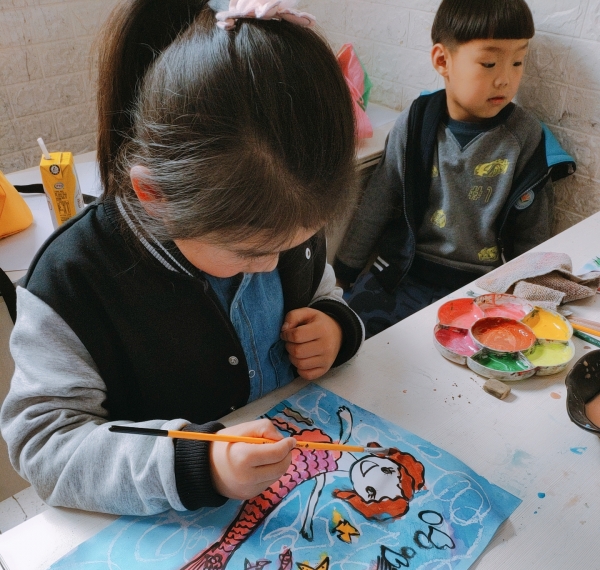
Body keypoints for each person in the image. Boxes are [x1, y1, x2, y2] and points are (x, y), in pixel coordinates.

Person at [0, 0, 364, 516]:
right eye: (250, 252)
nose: (273, 265)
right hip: (168, 526)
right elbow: (44, 446)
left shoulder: (279, 219)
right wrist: (196, 462)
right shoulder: (73, 280)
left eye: (291, 244)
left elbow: (322, 288)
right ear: (156, 196)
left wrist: (335, 325)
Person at [333, 0, 575, 338]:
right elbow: (379, 199)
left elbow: (532, 232)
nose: (505, 79)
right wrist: (343, 273)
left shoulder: (524, 136)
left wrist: (529, 301)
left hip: (483, 289)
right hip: (404, 273)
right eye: (489, 63)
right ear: (442, 61)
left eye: (518, 62)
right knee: (348, 337)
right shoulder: (416, 123)